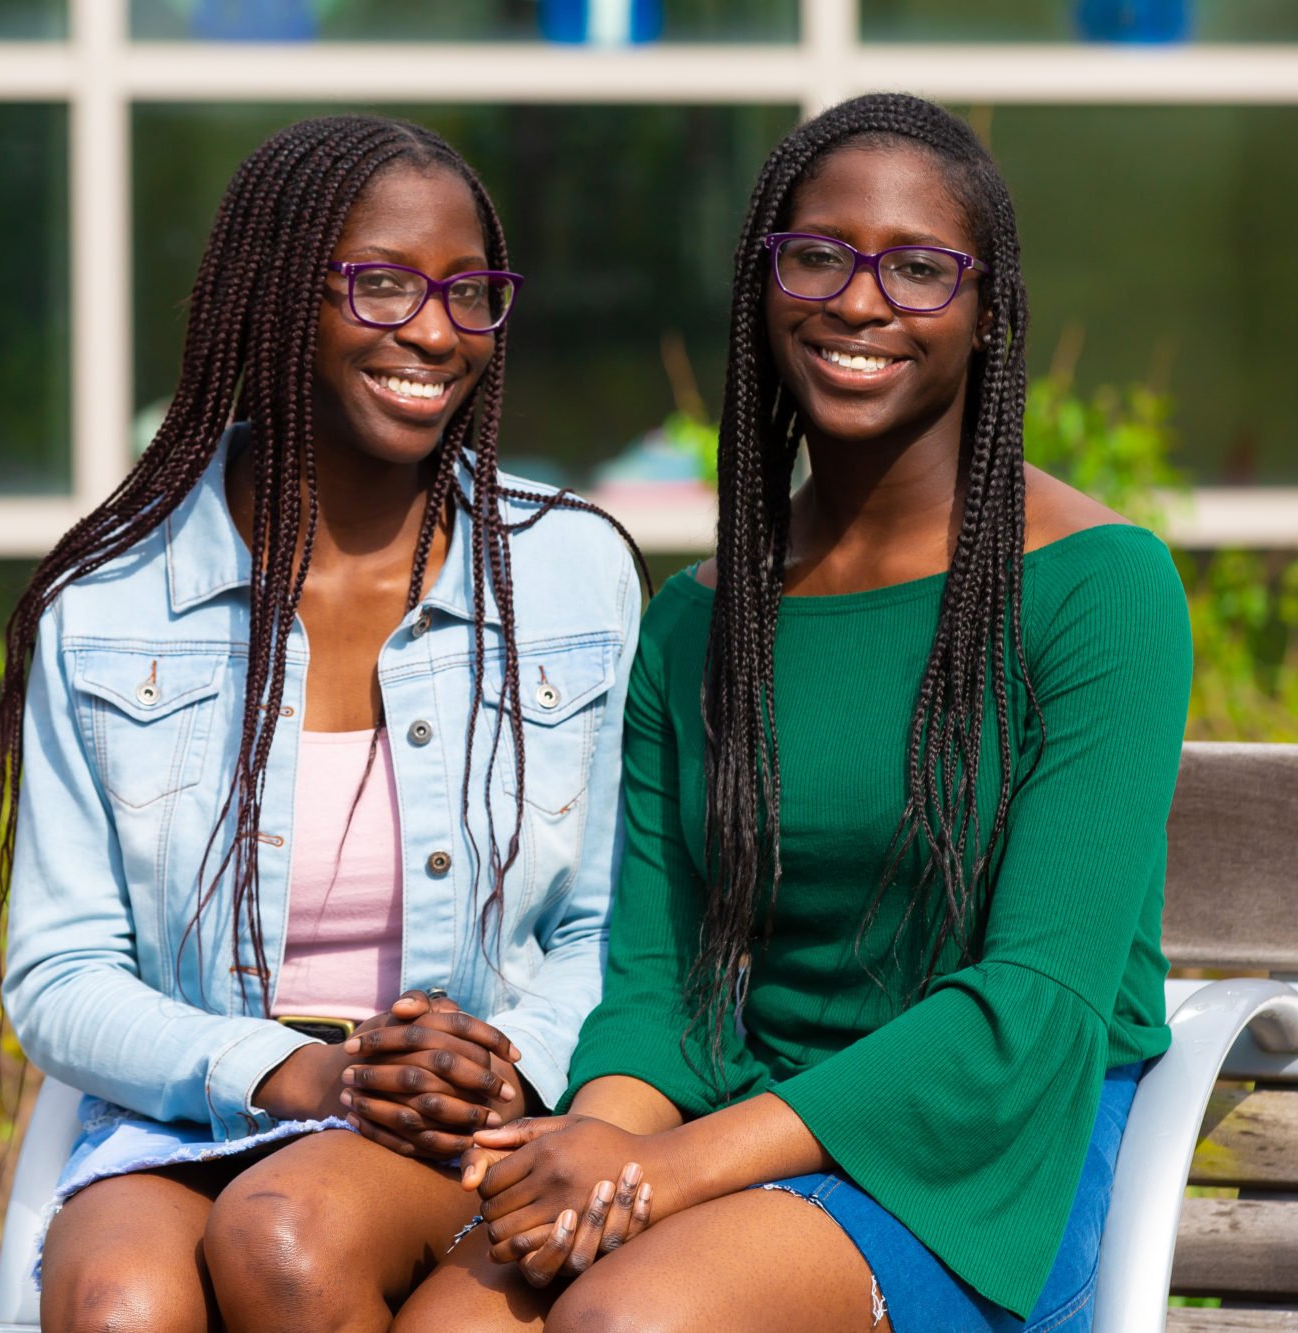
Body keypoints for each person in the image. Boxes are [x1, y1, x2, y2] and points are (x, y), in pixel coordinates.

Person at [397, 93, 1191, 1333]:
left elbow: (1028, 1006)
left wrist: (662, 1172)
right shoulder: (696, 623)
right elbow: (660, 989)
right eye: (815, 255)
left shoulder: (1098, 588)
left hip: (984, 1156)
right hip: (737, 1131)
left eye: (919, 269)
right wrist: (592, 1150)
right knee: (455, 1319)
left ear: (988, 316)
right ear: (761, 285)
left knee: (630, 1320)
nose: (859, 302)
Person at [0, 114, 643, 1333]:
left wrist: (505, 1061)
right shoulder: (113, 600)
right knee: (118, 1304)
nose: (434, 333)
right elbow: (60, 973)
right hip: (194, 1105)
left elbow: (612, 920)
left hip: (470, 1116)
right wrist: (299, 1075)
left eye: (467, 292)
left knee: (282, 1238)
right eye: (380, 286)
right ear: (275, 300)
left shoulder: (567, 574)